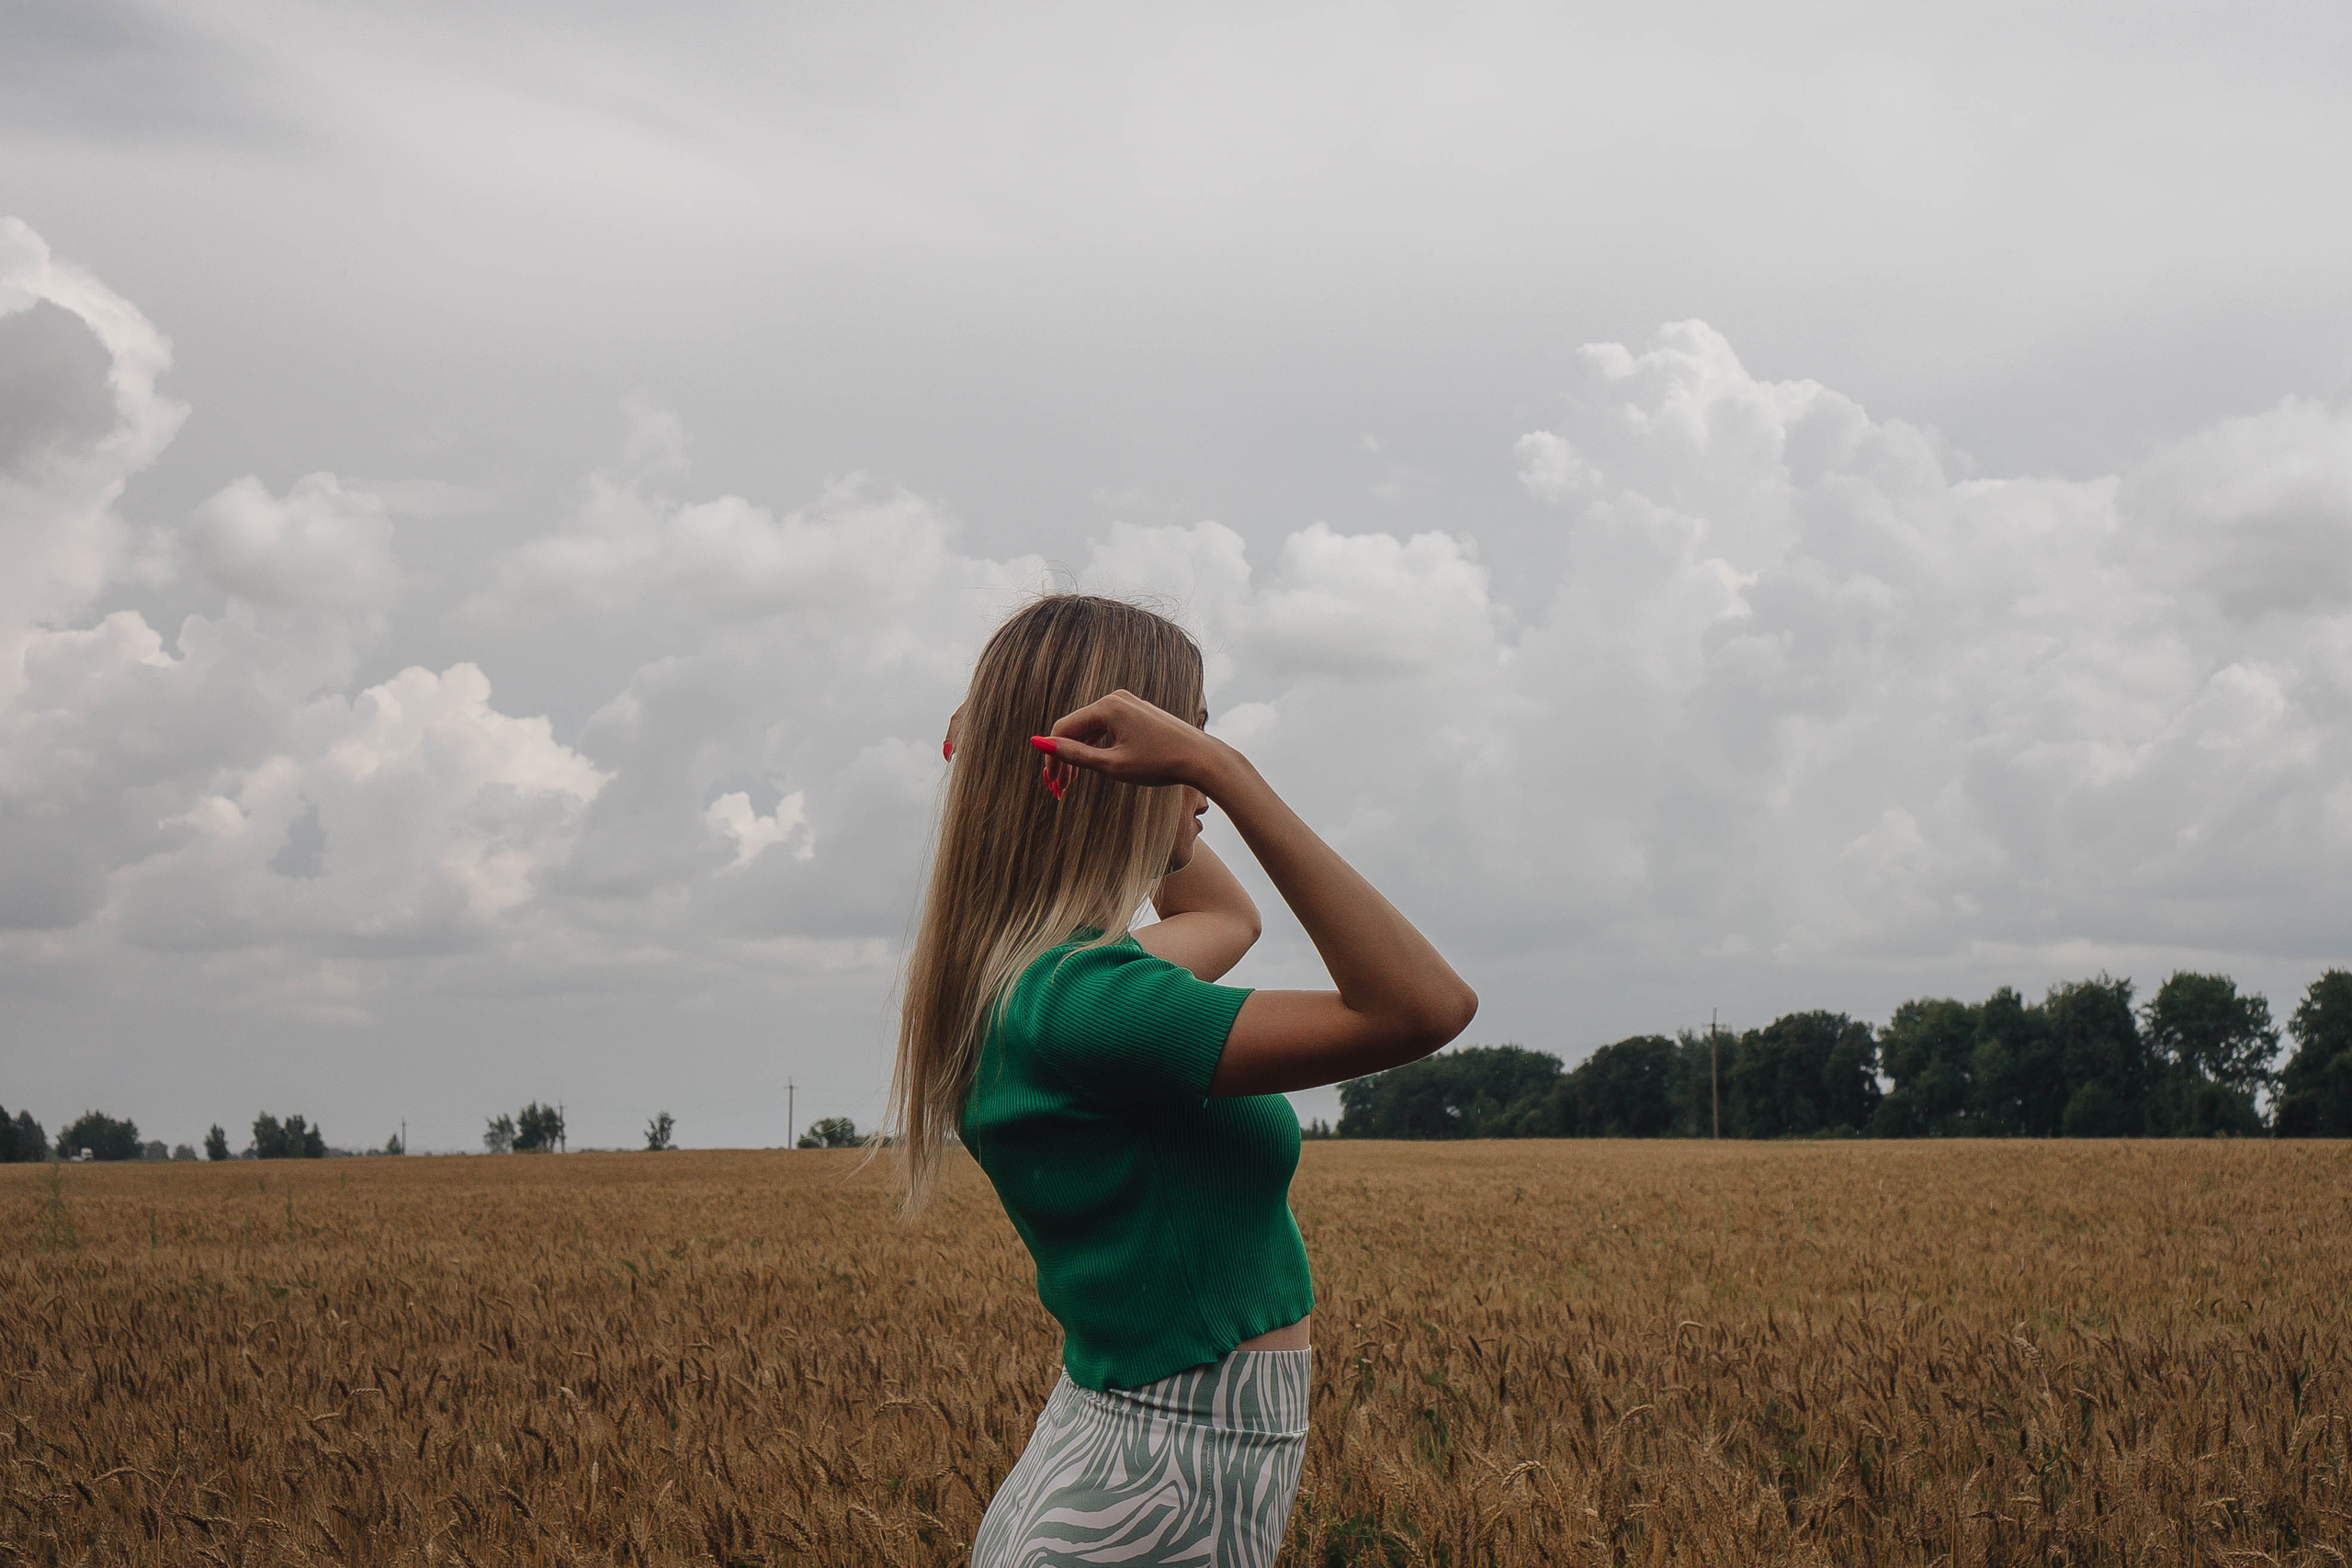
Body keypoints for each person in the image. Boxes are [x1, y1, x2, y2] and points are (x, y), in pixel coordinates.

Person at [886, 593, 1476, 1567]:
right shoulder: (1092, 1008)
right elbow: (1422, 1008)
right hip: (1150, 1501)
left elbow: (1228, 923)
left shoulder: (1031, 986)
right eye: (1180, 744)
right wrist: (1224, 774)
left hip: (1132, 1467)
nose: (1195, 778)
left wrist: (1053, 760)